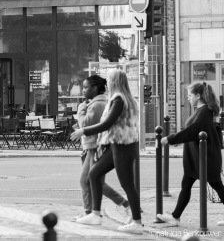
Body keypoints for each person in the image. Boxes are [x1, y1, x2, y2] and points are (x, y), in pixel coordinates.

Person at [70, 69, 143, 234]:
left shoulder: (119, 100)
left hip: (123, 146)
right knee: (94, 174)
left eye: (109, 80)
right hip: (117, 145)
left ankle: (137, 222)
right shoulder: (125, 99)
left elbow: (107, 124)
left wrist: (83, 131)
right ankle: (95, 214)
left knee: (128, 184)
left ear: (115, 82)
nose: (107, 83)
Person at [158, 82, 224, 226]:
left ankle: (175, 217)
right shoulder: (201, 110)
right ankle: (175, 217)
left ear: (198, 96)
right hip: (198, 158)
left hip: (206, 158)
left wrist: (170, 139)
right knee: (186, 184)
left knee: (217, 186)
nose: (188, 98)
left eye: (190, 95)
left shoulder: (204, 111)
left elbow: (192, 131)